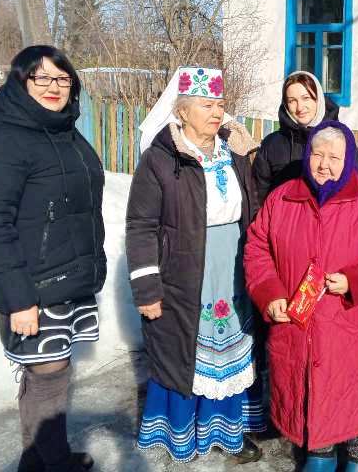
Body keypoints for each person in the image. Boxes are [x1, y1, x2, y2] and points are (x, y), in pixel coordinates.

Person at [0, 45, 105, 472]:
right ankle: (55, 462)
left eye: (62, 78)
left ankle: (36, 460)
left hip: (69, 279)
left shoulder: (66, 132)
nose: (53, 87)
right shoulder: (0, 141)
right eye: (41, 77)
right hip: (36, 288)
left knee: (49, 376)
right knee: (48, 378)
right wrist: (19, 299)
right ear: (20, 81)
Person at [244, 120, 358, 472]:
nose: (323, 164)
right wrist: (270, 293)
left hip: (348, 322)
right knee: (309, 390)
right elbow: (257, 248)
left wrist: (355, 280)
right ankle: (319, 453)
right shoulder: (282, 198)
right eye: (317, 154)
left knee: (349, 388)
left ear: (347, 160)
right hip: (297, 324)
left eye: (334, 157)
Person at [126, 67, 265, 463]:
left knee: (232, 348)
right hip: (185, 274)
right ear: (182, 111)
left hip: (232, 268)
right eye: (206, 105)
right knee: (185, 352)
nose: (217, 112)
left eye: (220, 104)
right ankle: (182, 434)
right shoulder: (160, 160)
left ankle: (228, 430)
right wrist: (147, 289)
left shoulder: (233, 154)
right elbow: (140, 226)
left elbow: (252, 211)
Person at [253, 71, 358, 203]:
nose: (300, 107)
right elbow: (257, 196)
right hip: (282, 215)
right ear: (286, 105)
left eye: (306, 98)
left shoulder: (342, 141)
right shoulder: (272, 144)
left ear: (318, 99)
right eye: (292, 101)